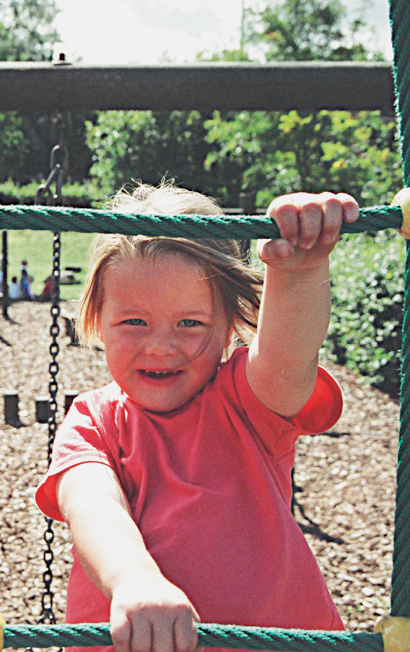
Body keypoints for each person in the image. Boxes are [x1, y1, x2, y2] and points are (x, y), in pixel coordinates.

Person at [34, 183, 359, 652]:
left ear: (229, 324)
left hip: (266, 641)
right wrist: (134, 577)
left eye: (190, 323)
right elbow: (89, 502)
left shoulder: (246, 403)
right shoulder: (94, 419)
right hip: (133, 639)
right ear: (96, 320)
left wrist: (299, 271)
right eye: (133, 322)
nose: (160, 346)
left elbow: (288, 359)